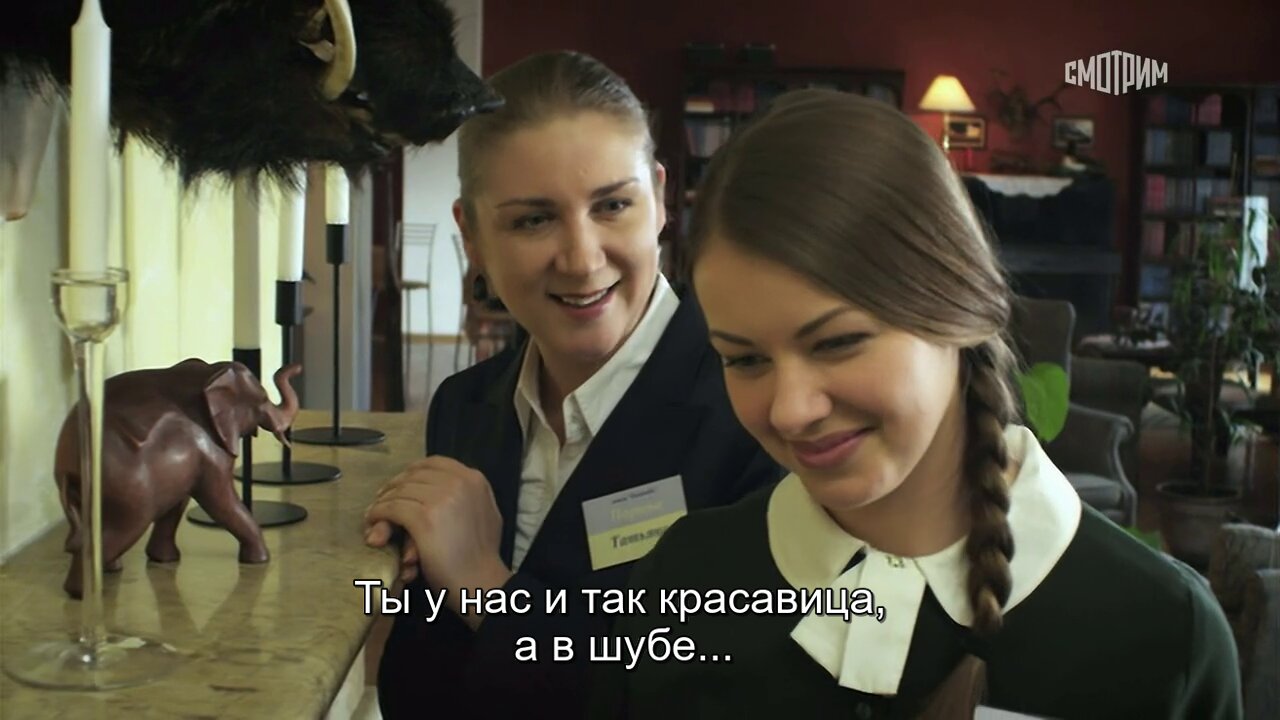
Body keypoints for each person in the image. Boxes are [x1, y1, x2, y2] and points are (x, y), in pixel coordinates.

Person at [592, 89, 1242, 719]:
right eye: (746, 360)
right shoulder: (682, 582)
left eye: (838, 342)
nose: (790, 411)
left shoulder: (1161, 634)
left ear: (959, 308)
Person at [363, 51, 784, 719]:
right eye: (533, 219)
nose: (583, 260)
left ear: (660, 200)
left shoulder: (761, 413)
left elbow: (709, 691)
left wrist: (485, 589)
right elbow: (418, 682)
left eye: (613, 205)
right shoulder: (462, 408)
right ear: (472, 234)